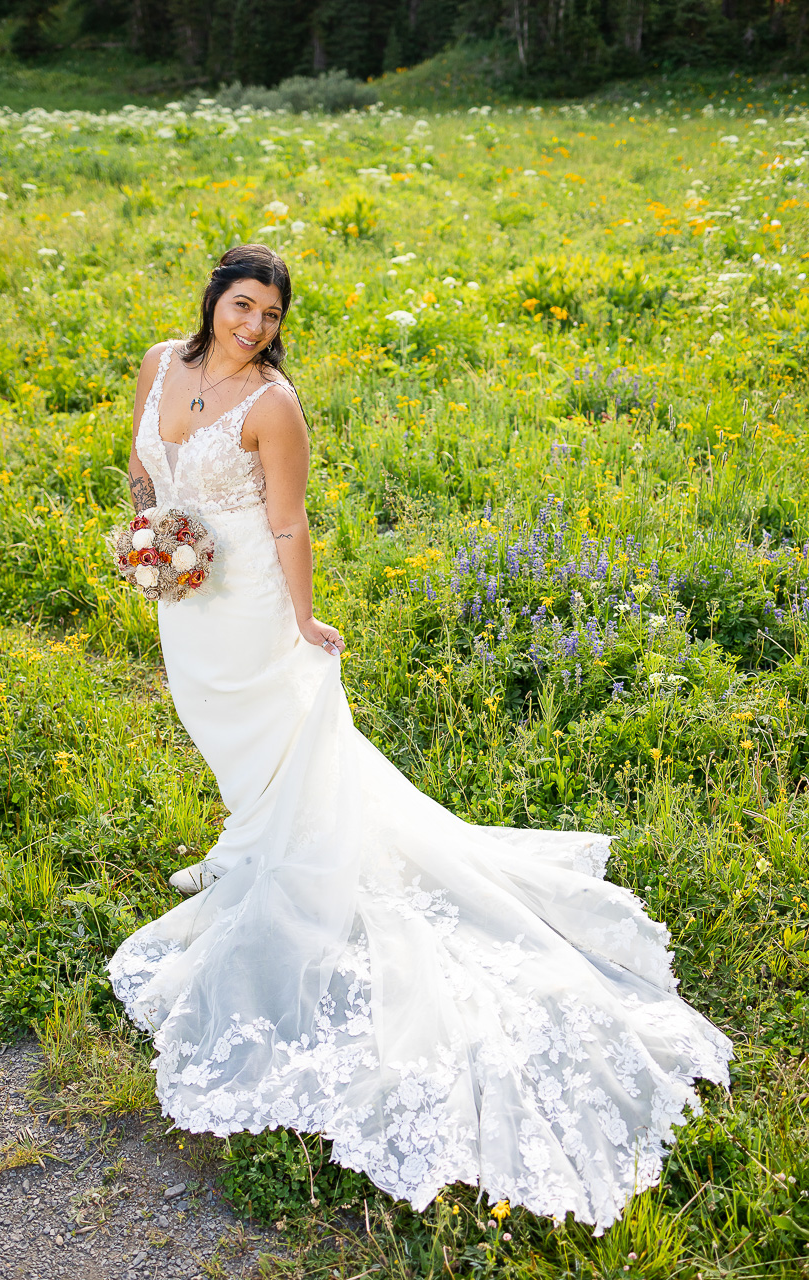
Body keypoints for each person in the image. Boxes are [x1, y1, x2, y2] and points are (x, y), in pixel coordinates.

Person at [109, 243, 732, 1236]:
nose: (253, 324)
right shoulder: (158, 361)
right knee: (226, 743)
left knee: (285, 741)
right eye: (241, 304)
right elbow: (143, 462)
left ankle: (293, 867)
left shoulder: (274, 404)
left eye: (269, 312)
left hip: (253, 609)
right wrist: (148, 538)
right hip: (184, 601)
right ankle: (256, 841)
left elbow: (286, 522)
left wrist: (306, 623)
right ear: (212, 301)